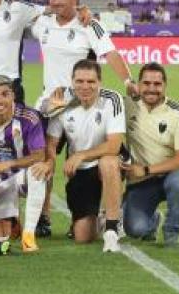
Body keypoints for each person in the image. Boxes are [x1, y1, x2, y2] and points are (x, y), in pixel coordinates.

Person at [41, 60, 125, 252]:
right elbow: (51, 143)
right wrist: (50, 164)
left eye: (91, 81)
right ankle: (99, 218)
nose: (85, 86)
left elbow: (114, 145)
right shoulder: (62, 100)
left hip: (106, 160)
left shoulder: (112, 99)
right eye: (79, 81)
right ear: (72, 81)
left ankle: (112, 230)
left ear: (100, 82)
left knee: (109, 163)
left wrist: (81, 155)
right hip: (80, 171)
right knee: (83, 236)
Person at [0, 76, 50, 253]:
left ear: (13, 96)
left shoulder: (28, 117)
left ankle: (28, 236)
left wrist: (9, 164)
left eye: (5, 94)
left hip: (20, 176)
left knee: (38, 172)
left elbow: (39, 155)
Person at [121, 63, 179, 247]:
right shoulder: (126, 106)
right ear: (139, 85)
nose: (152, 88)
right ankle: (152, 220)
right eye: (146, 83)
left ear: (165, 86)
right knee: (136, 230)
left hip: (171, 173)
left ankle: (171, 231)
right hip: (141, 182)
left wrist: (145, 169)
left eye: (157, 84)